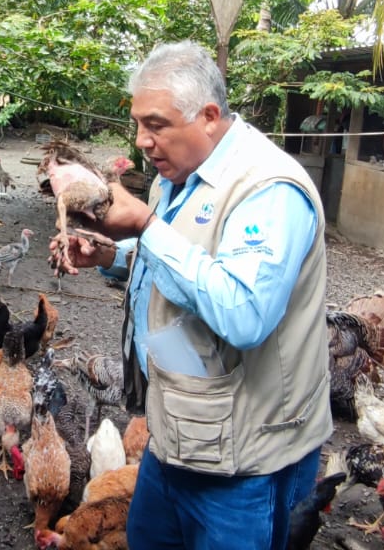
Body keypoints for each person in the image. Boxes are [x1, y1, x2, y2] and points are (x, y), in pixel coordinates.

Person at [51, 41, 331, 550]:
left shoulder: (268, 189)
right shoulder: (176, 176)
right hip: (176, 432)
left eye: (156, 125)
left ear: (208, 117)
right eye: (138, 124)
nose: (143, 141)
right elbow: (181, 257)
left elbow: (244, 313)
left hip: (244, 459)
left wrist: (145, 224)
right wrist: (110, 255)